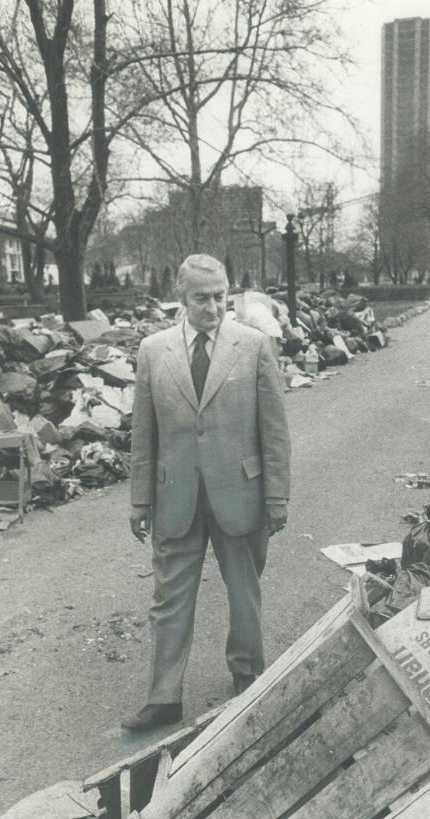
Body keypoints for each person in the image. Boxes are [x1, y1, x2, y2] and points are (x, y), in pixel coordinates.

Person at [125, 253, 291, 731]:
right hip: (175, 496)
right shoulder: (153, 351)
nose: (214, 308)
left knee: (244, 591)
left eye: (221, 297)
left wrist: (276, 497)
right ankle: (163, 697)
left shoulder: (254, 346)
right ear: (181, 298)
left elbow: (274, 430)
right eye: (202, 298)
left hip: (241, 494)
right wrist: (140, 499)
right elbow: (143, 433)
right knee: (168, 599)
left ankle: (247, 674)